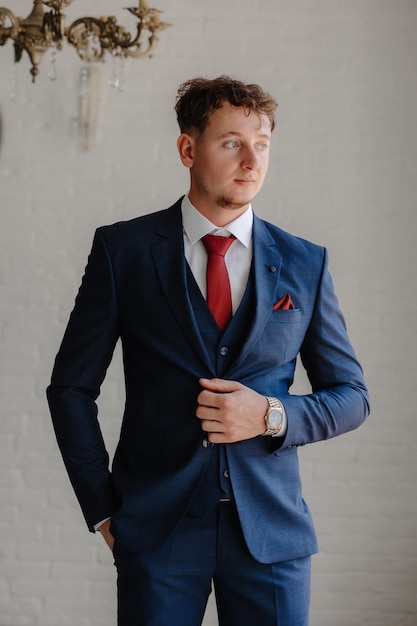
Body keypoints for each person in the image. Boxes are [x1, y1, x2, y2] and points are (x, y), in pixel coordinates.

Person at [47, 75, 369, 626]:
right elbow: (70, 389)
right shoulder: (123, 251)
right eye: (231, 142)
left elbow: (352, 397)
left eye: (262, 144)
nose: (251, 159)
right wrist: (101, 507)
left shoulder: (304, 263)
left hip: (272, 534)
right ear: (187, 149)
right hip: (156, 530)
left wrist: (269, 414)